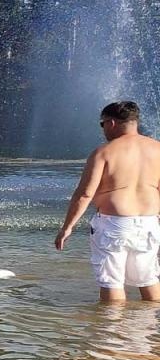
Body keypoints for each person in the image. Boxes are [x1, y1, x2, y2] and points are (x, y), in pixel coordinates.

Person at [55, 101, 160, 301]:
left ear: (111, 123)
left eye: (102, 124)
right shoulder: (157, 149)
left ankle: (112, 322)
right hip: (149, 224)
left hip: (114, 225)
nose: (102, 129)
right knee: (148, 279)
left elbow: (85, 194)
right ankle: (152, 321)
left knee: (112, 283)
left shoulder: (104, 152)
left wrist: (67, 227)